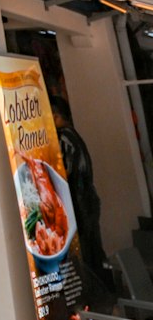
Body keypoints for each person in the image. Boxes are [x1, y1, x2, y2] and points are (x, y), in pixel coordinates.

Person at [50, 95, 111, 289]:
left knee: (85, 255)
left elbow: (64, 173)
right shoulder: (75, 136)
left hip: (79, 203)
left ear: (55, 115)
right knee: (93, 251)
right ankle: (105, 296)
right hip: (87, 201)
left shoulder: (64, 138)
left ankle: (96, 298)